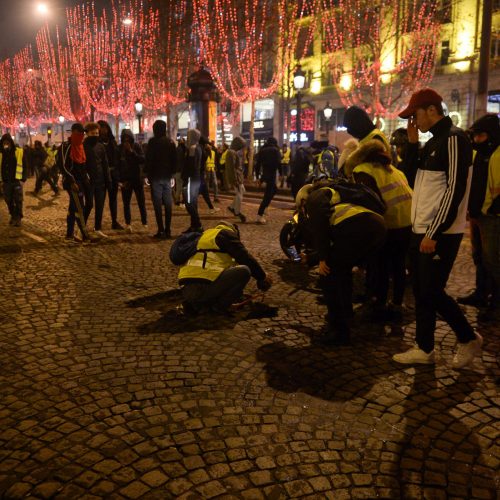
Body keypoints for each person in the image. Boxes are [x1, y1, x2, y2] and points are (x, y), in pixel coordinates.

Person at [392, 87, 481, 369]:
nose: (413, 121)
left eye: (415, 115)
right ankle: (424, 347)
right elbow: (411, 179)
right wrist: (412, 144)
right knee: (420, 289)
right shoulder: (431, 142)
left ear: (431, 110)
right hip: (420, 228)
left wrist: (433, 231)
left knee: (431, 290)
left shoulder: (454, 139)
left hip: (440, 232)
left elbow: (454, 189)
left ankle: (468, 338)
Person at [301, 181, 387, 345]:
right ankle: (345, 315)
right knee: (342, 272)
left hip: (360, 229)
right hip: (377, 227)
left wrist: (322, 259)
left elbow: (321, 230)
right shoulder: (339, 196)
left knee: (328, 276)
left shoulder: (315, 197)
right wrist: (315, 257)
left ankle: (338, 331)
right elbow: (336, 240)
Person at [344, 139, 413, 319]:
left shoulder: (362, 171)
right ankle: (397, 303)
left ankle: (378, 303)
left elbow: (372, 202)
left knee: (379, 265)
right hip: (407, 222)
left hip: (387, 224)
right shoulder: (395, 171)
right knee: (398, 265)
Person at [458, 114, 500, 321]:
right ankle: (481, 294)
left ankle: (496, 300)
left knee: (493, 259)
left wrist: (493, 209)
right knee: (480, 258)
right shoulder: (479, 154)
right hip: (477, 214)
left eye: (480, 136)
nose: (476, 140)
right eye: (475, 136)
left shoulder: (498, 154)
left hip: (491, 216)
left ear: (491, 135)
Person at [178, 221, 272, 313]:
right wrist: (262, 277)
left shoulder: (204, 236)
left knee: (232, 272)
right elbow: (245, 257)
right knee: (244, 271)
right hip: (201, 288)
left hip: (186, 289)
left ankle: (201, 304)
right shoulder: (226, 234)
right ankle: (218, 307)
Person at [57, 123, 92, 242]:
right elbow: (63, 166)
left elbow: (83, 165)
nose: (81, 136)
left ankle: (69, 233)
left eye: (83, 134)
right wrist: (72, 181)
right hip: (72, 182)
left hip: (83, 180)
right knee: (79, 206)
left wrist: (87, 178)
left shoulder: (81, 146)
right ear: (73, 133)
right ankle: (85, 234)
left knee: (73, 207)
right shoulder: (66, 146)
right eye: (79, 133)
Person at [145, 119, 177, 239]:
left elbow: (149, 159)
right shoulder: (170, 142)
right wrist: (173, 174)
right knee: (168, 204)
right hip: (167, 176)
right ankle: (168, 229)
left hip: (156, 176)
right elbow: (175, 160)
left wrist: (147, 174)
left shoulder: (153, 142)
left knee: (157, 204)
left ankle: (161, 229)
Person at [84, 122, 111, 238]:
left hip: (101, 181)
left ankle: (97, 227)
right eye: (92, 133)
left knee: (100, 205)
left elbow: (105, 164)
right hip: (89, 181)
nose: (95, 135)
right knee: (89, 205)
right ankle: (82, 227)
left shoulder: (100, 146)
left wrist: (108, 180)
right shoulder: (83, 146)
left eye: (96, 133)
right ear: (87, 133)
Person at [118, 129, 147, 232]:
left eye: (128, 139)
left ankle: (144, 222)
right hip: (126, 180)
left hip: (136, 178)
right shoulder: (120, 149)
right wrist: (120, 180)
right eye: (124, 139)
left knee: (141, 202)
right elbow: (118, 165)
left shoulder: (136, 147)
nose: (126, 141)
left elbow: (142, 159)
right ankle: (128, 223)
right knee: (126, 203)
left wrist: (132, 152)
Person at [98, 120, 124, 230]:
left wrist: (117, 173)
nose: (103, 130)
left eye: (105, 128)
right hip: (102, 175)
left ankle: (114, 221)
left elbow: (117, 158)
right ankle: (97, 224)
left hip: (112, 175)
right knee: (100, 200)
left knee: (113, 199)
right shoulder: (97, 142)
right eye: (101, 128)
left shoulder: (112, 142)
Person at [1, 134, 27, 226]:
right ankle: (13, 215)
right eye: (4, 142)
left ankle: (18, 218)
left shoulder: (19, 152)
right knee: (8, 200)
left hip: (16, 181)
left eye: (7, 142)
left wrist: (23, 179)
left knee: (18, 200)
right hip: (6, 182)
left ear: (10, 143)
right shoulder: (1, 154)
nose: (6, 144)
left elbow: (25, 166)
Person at [255, 136, 281, 224]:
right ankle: (260, 215)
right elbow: (279, 163)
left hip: (265, 174)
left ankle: (265, 207)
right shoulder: (275, 150)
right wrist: (281, 174)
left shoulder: (262, 150)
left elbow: (257, 164)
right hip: (272, 174)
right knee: (267, 195)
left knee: (274, 190)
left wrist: (258, 176)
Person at [182, 129, 203, 232]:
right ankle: (194, 225)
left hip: (191, 178)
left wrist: (185, 176)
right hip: (196, 177)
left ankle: (198, 224)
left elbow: (191, 165)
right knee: (193, 202)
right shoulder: (198, 148)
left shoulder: (192, 149)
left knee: (189, 202)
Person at [224, 136, 247, 223]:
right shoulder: (231, 153)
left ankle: (232, 208)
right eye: (241, 146)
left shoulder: (233, 152)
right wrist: (235, 181)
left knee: (240, 193)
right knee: (239, 195)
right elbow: (231, 168)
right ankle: (237, 212)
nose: (242, 148)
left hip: (238, 177)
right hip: (236, 178)